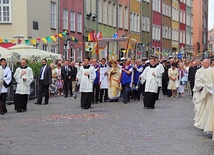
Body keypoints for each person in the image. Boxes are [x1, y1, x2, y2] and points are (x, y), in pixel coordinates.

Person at [192, 59, 214, 141]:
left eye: (206, 63)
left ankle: (207, 125)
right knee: (200, 108)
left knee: (208, 111)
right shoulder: (199, 71)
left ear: (209, 63)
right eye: (203, 63)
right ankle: (201, 123)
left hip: (208, 93)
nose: (205, 64)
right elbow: (197, 80)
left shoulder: (211, 70)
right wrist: (202, 86)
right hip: (201, 92)